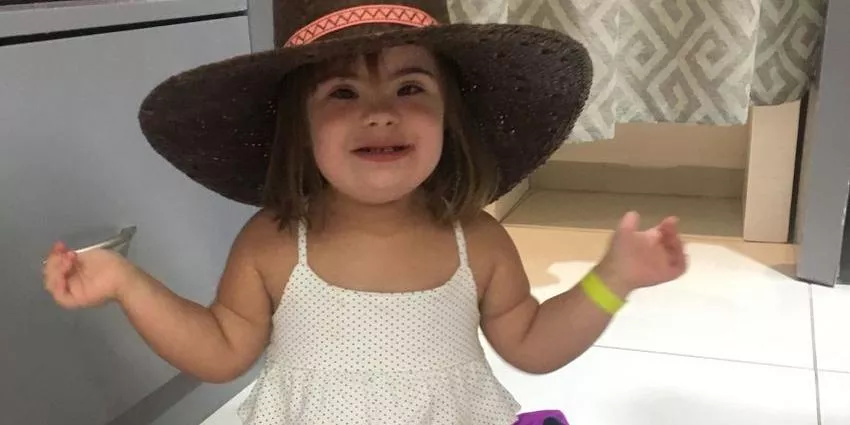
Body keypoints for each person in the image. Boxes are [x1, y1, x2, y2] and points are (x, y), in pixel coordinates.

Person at [42, 0, 687, 424]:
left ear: (449, 118)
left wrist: (614, 279)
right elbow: (220, 352)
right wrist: (129, 286)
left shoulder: (477, 241)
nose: (381, 111)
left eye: (411, 86)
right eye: (343, 92)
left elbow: (534, 345)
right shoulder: (273, 242)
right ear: (300, 128)